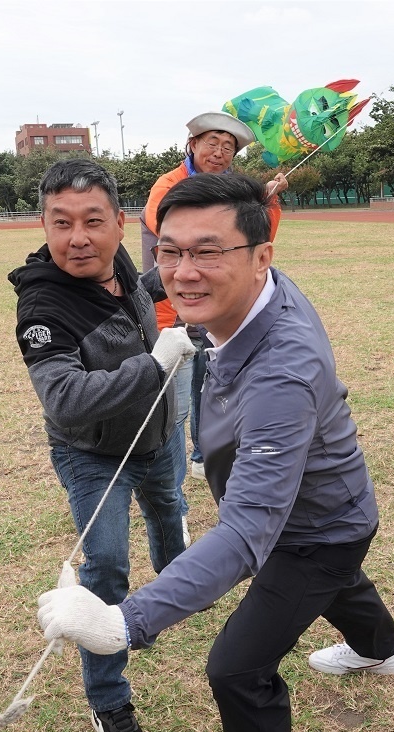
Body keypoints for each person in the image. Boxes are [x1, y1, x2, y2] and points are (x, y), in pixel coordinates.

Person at [38, 173, 394, 732]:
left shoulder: (283, 373)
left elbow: (247, 531)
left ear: (262, 256)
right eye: (171, 251)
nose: (183, 272)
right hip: (330, 509)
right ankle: (382, 650)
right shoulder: (256, 299)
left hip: (314, 529)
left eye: (208, 251)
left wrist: (125, 622)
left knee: (236, 667)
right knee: (338, 581)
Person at [9, 159, 194, 732]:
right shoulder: (42, 307)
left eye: (93, 221)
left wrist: (174, 282)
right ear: (43, 225)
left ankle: (177, 591)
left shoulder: (116, 266)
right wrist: (155, 363)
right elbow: (63, 395)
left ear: (120, 222)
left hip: (159, 435)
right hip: (93, 456)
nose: (77, 237)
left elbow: (138, 290)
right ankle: (110, 700)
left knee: (170, 510)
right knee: (107, 568)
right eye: (61, 223)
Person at [139, 111, 289, 525]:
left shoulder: (236, 192)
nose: (220, 152)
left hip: (219, 307)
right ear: (192, 145)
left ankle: (204, 455)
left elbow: (260, 236)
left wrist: (265, 200)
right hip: (171, 310)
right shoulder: (169, 185)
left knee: (216, 381)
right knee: (177, 392)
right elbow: (169, 227)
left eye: (228, 147)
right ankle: (167, 473)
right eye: (212, 143)